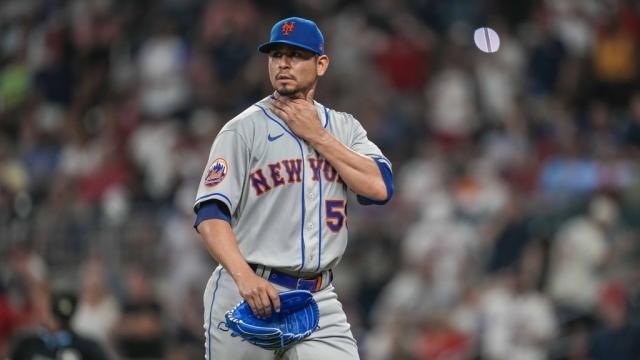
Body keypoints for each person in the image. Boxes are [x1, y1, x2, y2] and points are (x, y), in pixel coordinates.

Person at [193, 16, 394, 359]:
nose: (284, 63)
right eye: (276, 54)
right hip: (249, 291)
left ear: (321, 64)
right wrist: (244, 278)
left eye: (297, 55)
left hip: (319, 298)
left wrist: (317, 135)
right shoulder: (243, 130)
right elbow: (210, 216)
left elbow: (379, 188)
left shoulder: (344, 129)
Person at [8, 291, 109, 360]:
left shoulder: (86, 347)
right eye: (53, 316)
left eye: (61, 320)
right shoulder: (28, 344)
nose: (55, 323)